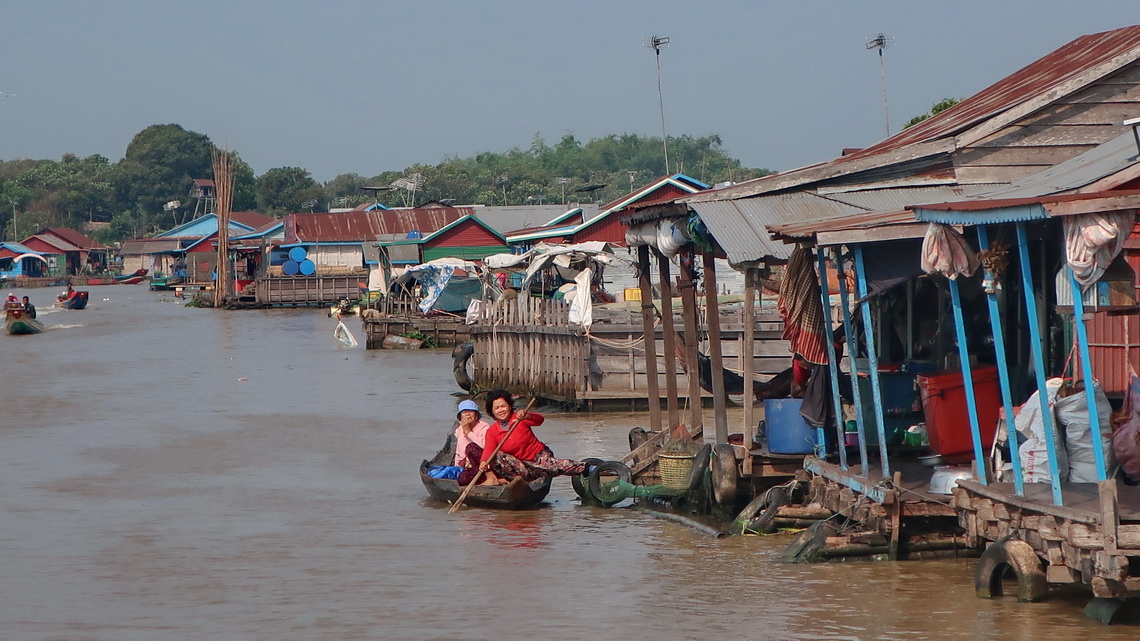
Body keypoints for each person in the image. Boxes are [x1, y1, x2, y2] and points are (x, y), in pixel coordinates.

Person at [475, 389, 585, 485]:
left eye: (503, 406)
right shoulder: (492, 431)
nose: (501, 410)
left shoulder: (519, 418)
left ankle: (587, 467)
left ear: (509, 406)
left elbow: (539, 420)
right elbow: (489, 450)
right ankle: (517, 481)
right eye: (497, 408)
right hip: (522, 466)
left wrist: (528, 415)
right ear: (492, 412)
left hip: (539, 457)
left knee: (553, 467)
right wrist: (484, 462)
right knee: (497, 456)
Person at [453, 399, 492, 485]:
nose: (467, 414)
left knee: (471, 448)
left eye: (470, 411)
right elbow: (459, 453)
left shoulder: (484, 427)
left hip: (484, 466)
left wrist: (468, 432)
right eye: (464, 412)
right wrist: (457, 468)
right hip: (470, 468)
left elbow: (485, 445)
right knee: (462, 478)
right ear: (460, 417)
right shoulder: (459, 430)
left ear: (476, 415)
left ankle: (491, 478)